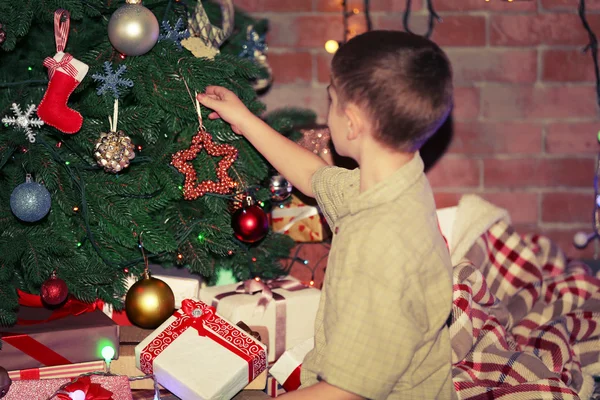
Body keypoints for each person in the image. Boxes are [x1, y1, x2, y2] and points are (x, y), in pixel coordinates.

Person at [197, 30, 455, 400]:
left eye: (331, 100)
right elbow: (312, 175)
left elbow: (344, 392)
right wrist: (243, 119)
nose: (327, 110)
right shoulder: (395, 180)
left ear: (351, 122)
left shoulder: (378, 248)